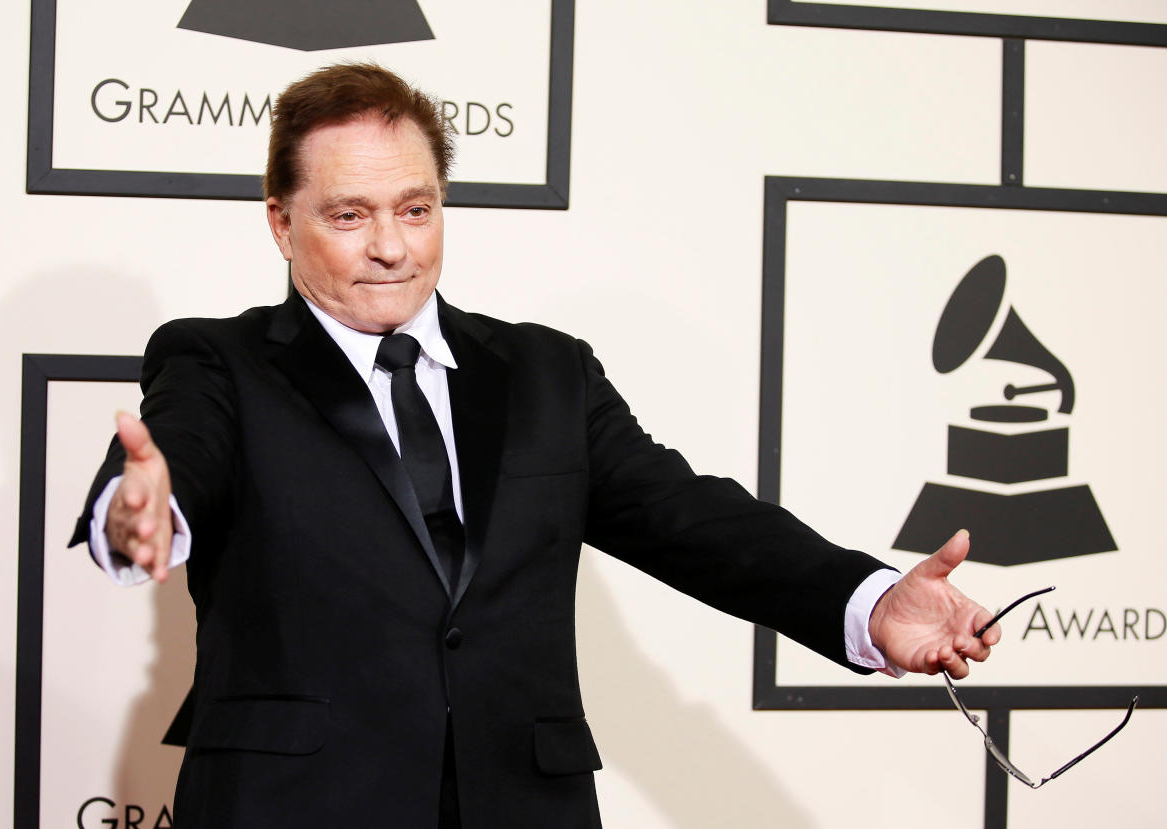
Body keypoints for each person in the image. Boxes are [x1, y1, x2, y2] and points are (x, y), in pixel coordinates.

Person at [72, 63, 1001, 829]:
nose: (392, 247)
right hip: (295, 806)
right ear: (282, 220)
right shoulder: (219, 361)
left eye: (417, 208)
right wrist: (140, 509)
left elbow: (687, 517)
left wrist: (868, 602)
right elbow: (175, 457)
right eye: (350, 215)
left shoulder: (546, 372)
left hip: (523, 804)